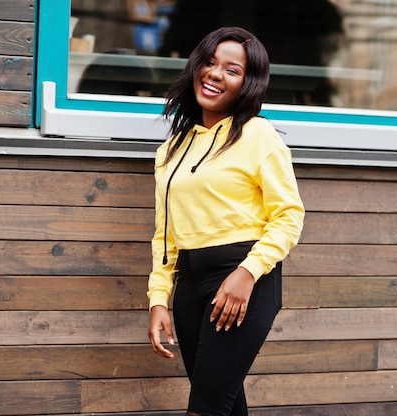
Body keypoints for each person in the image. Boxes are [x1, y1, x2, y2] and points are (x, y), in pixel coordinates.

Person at [147, 27, 304, 416]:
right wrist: (158, 299)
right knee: (224, 404)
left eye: (232, 70)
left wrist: (246, 273)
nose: (216, 74)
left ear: (247, 84)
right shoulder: (171, 150)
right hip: (189, 284)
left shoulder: (258, 135)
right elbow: (165, 235)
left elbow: (289, 216)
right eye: (211, 62)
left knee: (205, 407)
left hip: (242, 280)